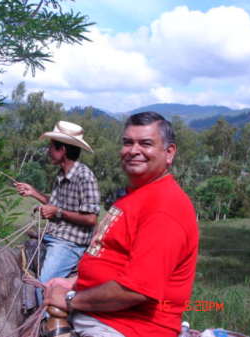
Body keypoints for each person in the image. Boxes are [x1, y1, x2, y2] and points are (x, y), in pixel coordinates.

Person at [44, 112, 199, 337]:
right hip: (99, 313)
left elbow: (134, 291)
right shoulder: (135, 194)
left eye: (145, 143)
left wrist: (71, 299)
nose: (133, 150)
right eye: (128, 143)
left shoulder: (164, 207)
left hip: (124, 326)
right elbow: (114, 259)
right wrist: (74, 282)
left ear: (169, 153)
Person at [14, 120, 101, 304]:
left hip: (69, 244)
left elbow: (91, 219)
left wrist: (58, 213)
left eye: (51, 147)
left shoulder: (85, 177)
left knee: (43, 287)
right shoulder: (61, 175)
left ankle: (44, 326)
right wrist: (33, 193)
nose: (48, 151)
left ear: (62, 150)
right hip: (54, 235)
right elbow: (54, 204)